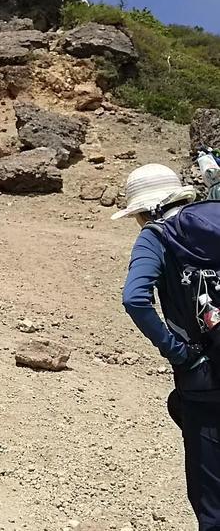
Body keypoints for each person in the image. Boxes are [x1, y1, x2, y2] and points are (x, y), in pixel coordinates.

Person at [118, 163, 220, 530]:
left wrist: (178, 352)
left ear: (144, 209)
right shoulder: (216, 216)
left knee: (213, 500)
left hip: (205, 381)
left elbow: (135, 299)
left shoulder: (156, 237)